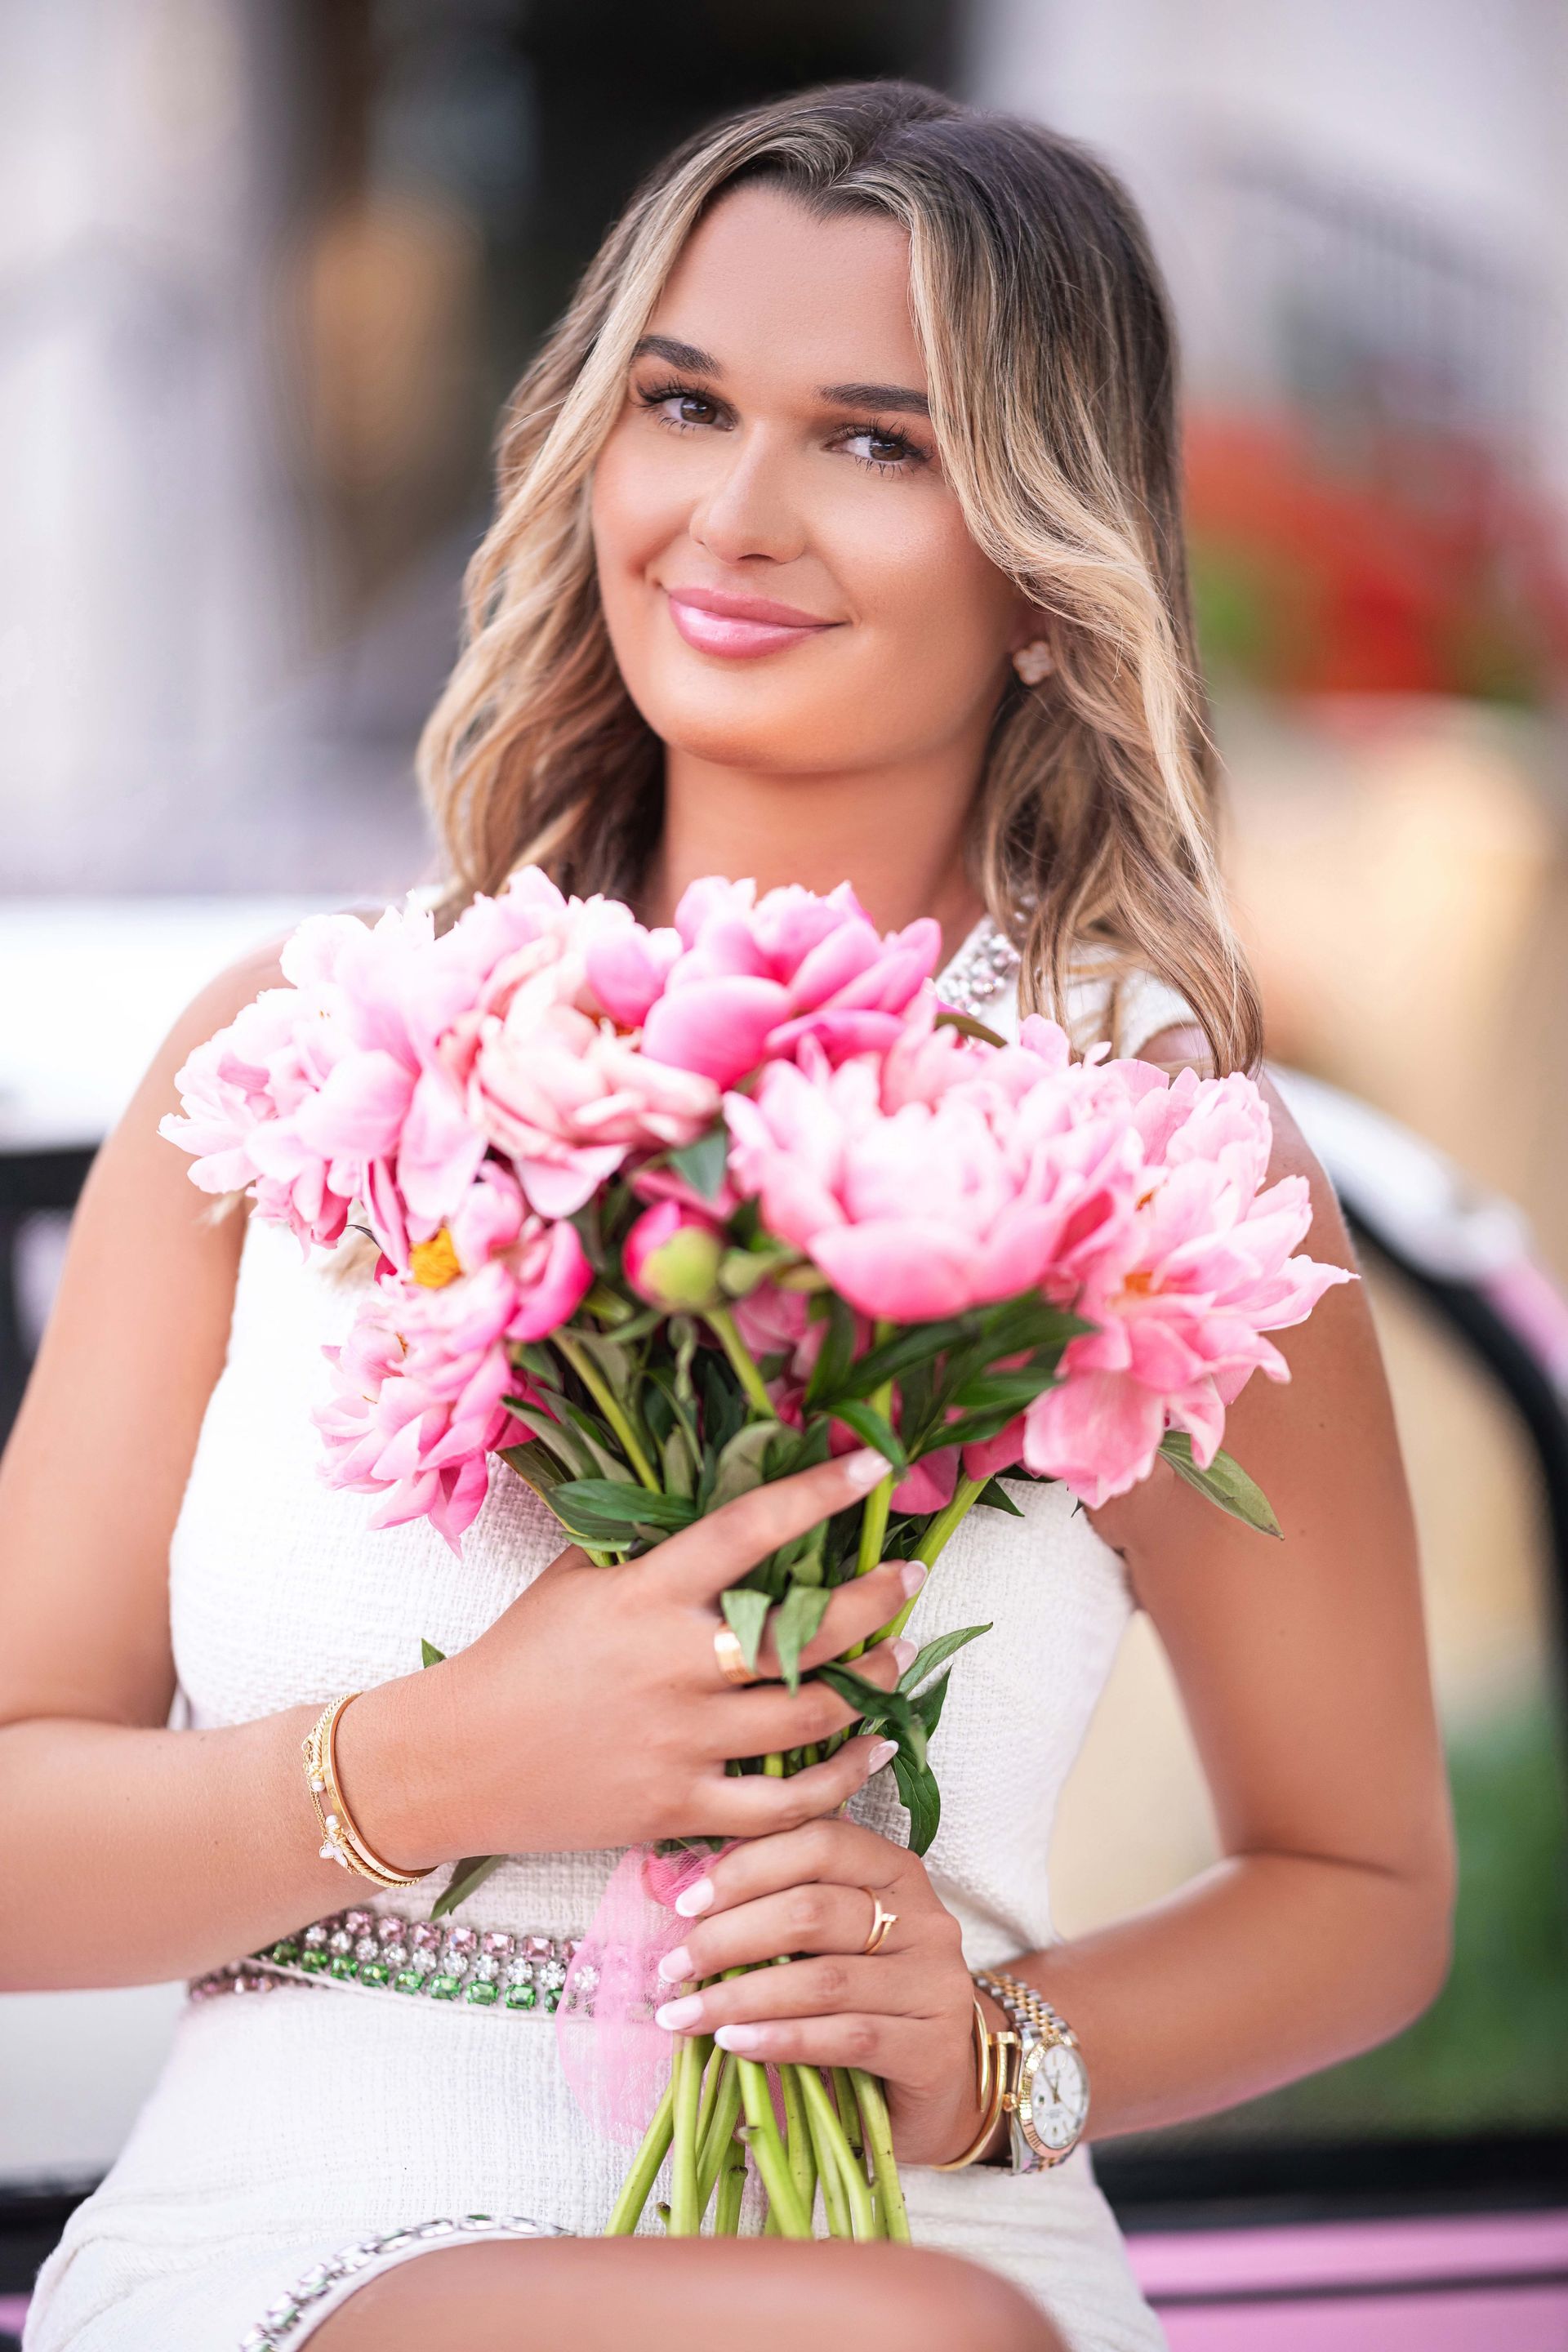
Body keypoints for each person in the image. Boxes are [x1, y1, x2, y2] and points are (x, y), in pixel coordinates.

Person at [1, 80, 1453, 2352]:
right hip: (299, 2228)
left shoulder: (1163, 1183)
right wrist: (442, 1764)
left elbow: (1360, 1892)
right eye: (684, 405)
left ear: (1050, 579)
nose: (734, 518)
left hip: (927, 2251)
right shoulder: (295, 1069)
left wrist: (995, 2061)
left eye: (878, 442)